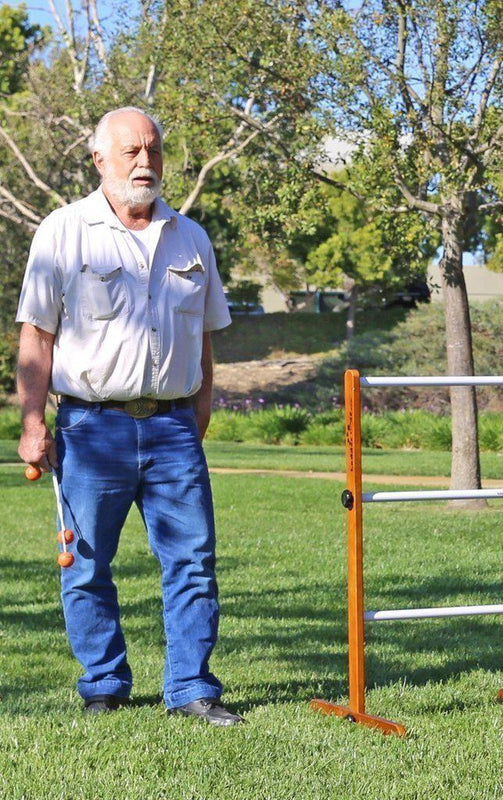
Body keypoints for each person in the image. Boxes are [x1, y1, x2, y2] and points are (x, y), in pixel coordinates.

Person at [16, 107, 243, 726]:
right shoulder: (63, 232)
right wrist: (33, 423)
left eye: (153, 151)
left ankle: (192, 689)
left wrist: (197, 414)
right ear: (99, 161)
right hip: (92, 428)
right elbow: (37, 338)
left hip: (173, 429)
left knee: (193, 561)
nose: (145, 163)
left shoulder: (192, 238)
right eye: (130, 152)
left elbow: (203, 341)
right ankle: (105, 683)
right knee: (86, 565)